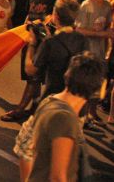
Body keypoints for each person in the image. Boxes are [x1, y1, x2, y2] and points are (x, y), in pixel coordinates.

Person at [28, 52, 104, 182]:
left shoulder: (50, 101)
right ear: (97, 88)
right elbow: (58, 177)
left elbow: (28, 151)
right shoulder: (64, 118)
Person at [26, 0, 88, 100]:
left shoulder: (50, 42)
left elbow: (30, 70)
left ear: (56, 15)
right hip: (73, 97)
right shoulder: (82, 38)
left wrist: (32, 43)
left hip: (53, 96)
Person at [75, 0, 113, 127]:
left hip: (100, 51)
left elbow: (108, 27)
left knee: (97, 85)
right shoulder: (87, 5)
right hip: (87, 50)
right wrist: (101, 33)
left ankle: (91, 113)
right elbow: (79, 29)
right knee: (84, 85)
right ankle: (80, 116)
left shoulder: (107, 6)